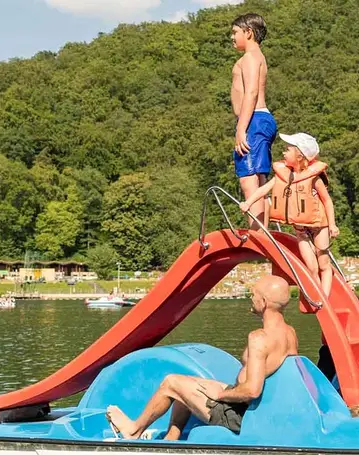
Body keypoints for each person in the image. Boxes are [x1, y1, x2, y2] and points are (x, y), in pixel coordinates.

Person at [105, 275, 298, 440]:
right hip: (257, 407)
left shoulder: (259, 338)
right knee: (186, 383)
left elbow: (252, 390)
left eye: (253, 294)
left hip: (241, 415)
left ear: (263, 302)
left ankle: (134, 430)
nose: (251, 298)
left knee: (171, 382)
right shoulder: (289, 333)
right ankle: (171, 440)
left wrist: (220, 395)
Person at [239, 133, 338, 296]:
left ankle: (325, 297)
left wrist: (332, 225)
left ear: (300, 156)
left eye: (287, 149)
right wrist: (248, 203)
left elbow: (327, 201)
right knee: (311, 266)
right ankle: (318, 294)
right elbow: (264, 190)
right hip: (301, 229)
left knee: (323, 262)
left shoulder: (314, 179)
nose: (283, 152)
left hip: (320, 225)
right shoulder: (283, 175)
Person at [228, 13, 275, 225]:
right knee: (258, 179)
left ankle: (258, 235)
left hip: (253, 120)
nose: (232, 37)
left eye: (235, 32)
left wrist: (241, 128)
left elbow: (252, 92)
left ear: (249, 32)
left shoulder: (249, 57)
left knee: (249, 180)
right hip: (260, 119)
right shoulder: (258, 57)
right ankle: (262, 233)